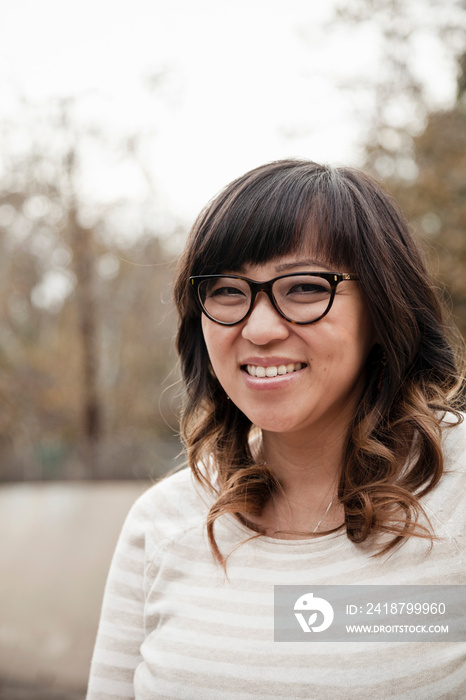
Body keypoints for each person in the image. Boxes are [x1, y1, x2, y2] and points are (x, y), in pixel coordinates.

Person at [87, 160, 466, 699]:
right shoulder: (162, 524)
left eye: (306, 288)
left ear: (383, 308)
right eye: (225, 291)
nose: (260, 329)